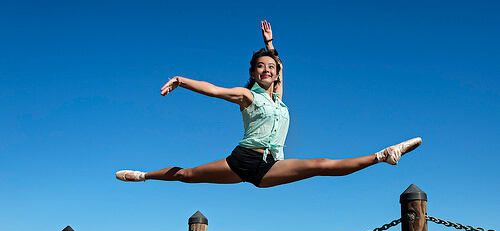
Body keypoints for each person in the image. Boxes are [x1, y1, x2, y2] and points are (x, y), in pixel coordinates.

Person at [116, 21, 422, 188]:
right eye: (261, 67)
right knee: (186, 175)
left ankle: (384, 155)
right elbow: (213, 90)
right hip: (243, 160)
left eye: (271, 68)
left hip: (270, 165)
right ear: (252, 73)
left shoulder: (278, 98)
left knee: (319, 166)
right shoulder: (247, 95)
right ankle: (142, 176)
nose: (268, 70)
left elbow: (281, 69)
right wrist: (181, 80)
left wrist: (271, 46)